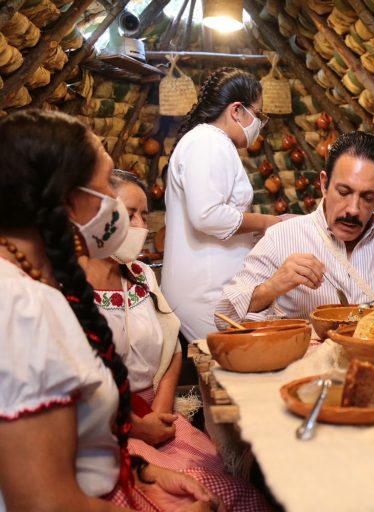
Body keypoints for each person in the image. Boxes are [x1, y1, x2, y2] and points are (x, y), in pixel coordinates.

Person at [0, 109, 222, 510]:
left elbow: (75, 449)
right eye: (106, 188)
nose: (124, 217)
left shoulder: (32, 286)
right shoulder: (19, 306)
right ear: (69, 203)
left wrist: (143, 474)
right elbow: (45, 504)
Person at [82, 170, 270, 510]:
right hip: (108, 429)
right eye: (129, 214)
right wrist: (138, 428)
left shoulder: (141, 277)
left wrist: (161, 411)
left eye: (143, 214)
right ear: (97, 216)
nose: (140, 224)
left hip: (159, 414)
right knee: (190, 492)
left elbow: (171, 348)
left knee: (230, 482)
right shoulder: (68, 291)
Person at [216, 131, 374, 327]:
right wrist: (273, 286)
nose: (353, 209)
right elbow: (223, 316)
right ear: (324, 184)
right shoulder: (281, 238)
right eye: (343, 192)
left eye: (367, 197)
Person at [163, 67, 281, 341]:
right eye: (258, 114)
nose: (259, 124)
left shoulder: (210, 142)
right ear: (237, 111)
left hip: (208, 288)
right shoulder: (208, 142)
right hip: (206, 292)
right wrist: (266, 222)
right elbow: (207, 215)